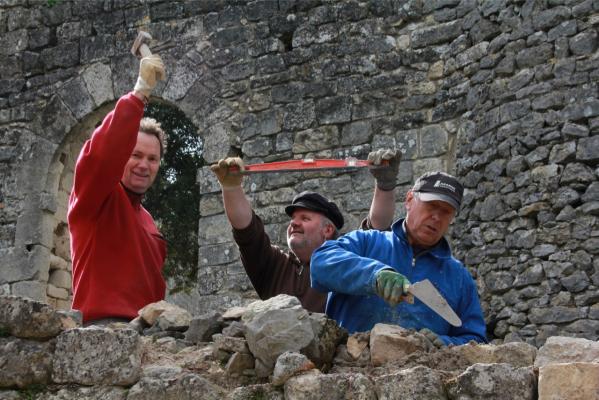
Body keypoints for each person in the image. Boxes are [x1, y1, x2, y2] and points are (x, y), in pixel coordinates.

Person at [210, 149, 401, 313]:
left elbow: (376, 229)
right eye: (293, 219)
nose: (294, 223)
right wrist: (231, 187)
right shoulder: (274, 266)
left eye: (305, 218)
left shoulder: (348, 258)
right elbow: (247, 233)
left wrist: (385, 186)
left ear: (327, 229)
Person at [311, 171, 487, 347]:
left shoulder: (458, 278)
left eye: (446, 212)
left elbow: (475, 340)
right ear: (409, 199)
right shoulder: (367, 243)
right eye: (431, 205)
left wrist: (444, 343)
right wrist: (375, 276)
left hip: (422, 372)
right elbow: (320, 263)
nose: (436, 217)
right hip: (351, 368)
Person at [68, 54, 167, 324]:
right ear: (122, 154)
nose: (143, 165)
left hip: (147, 333)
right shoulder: (95, 196)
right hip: (101, 330)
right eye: (135, 155)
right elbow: (100, 156)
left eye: (152, 159)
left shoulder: (149, 223)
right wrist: (139, 94)